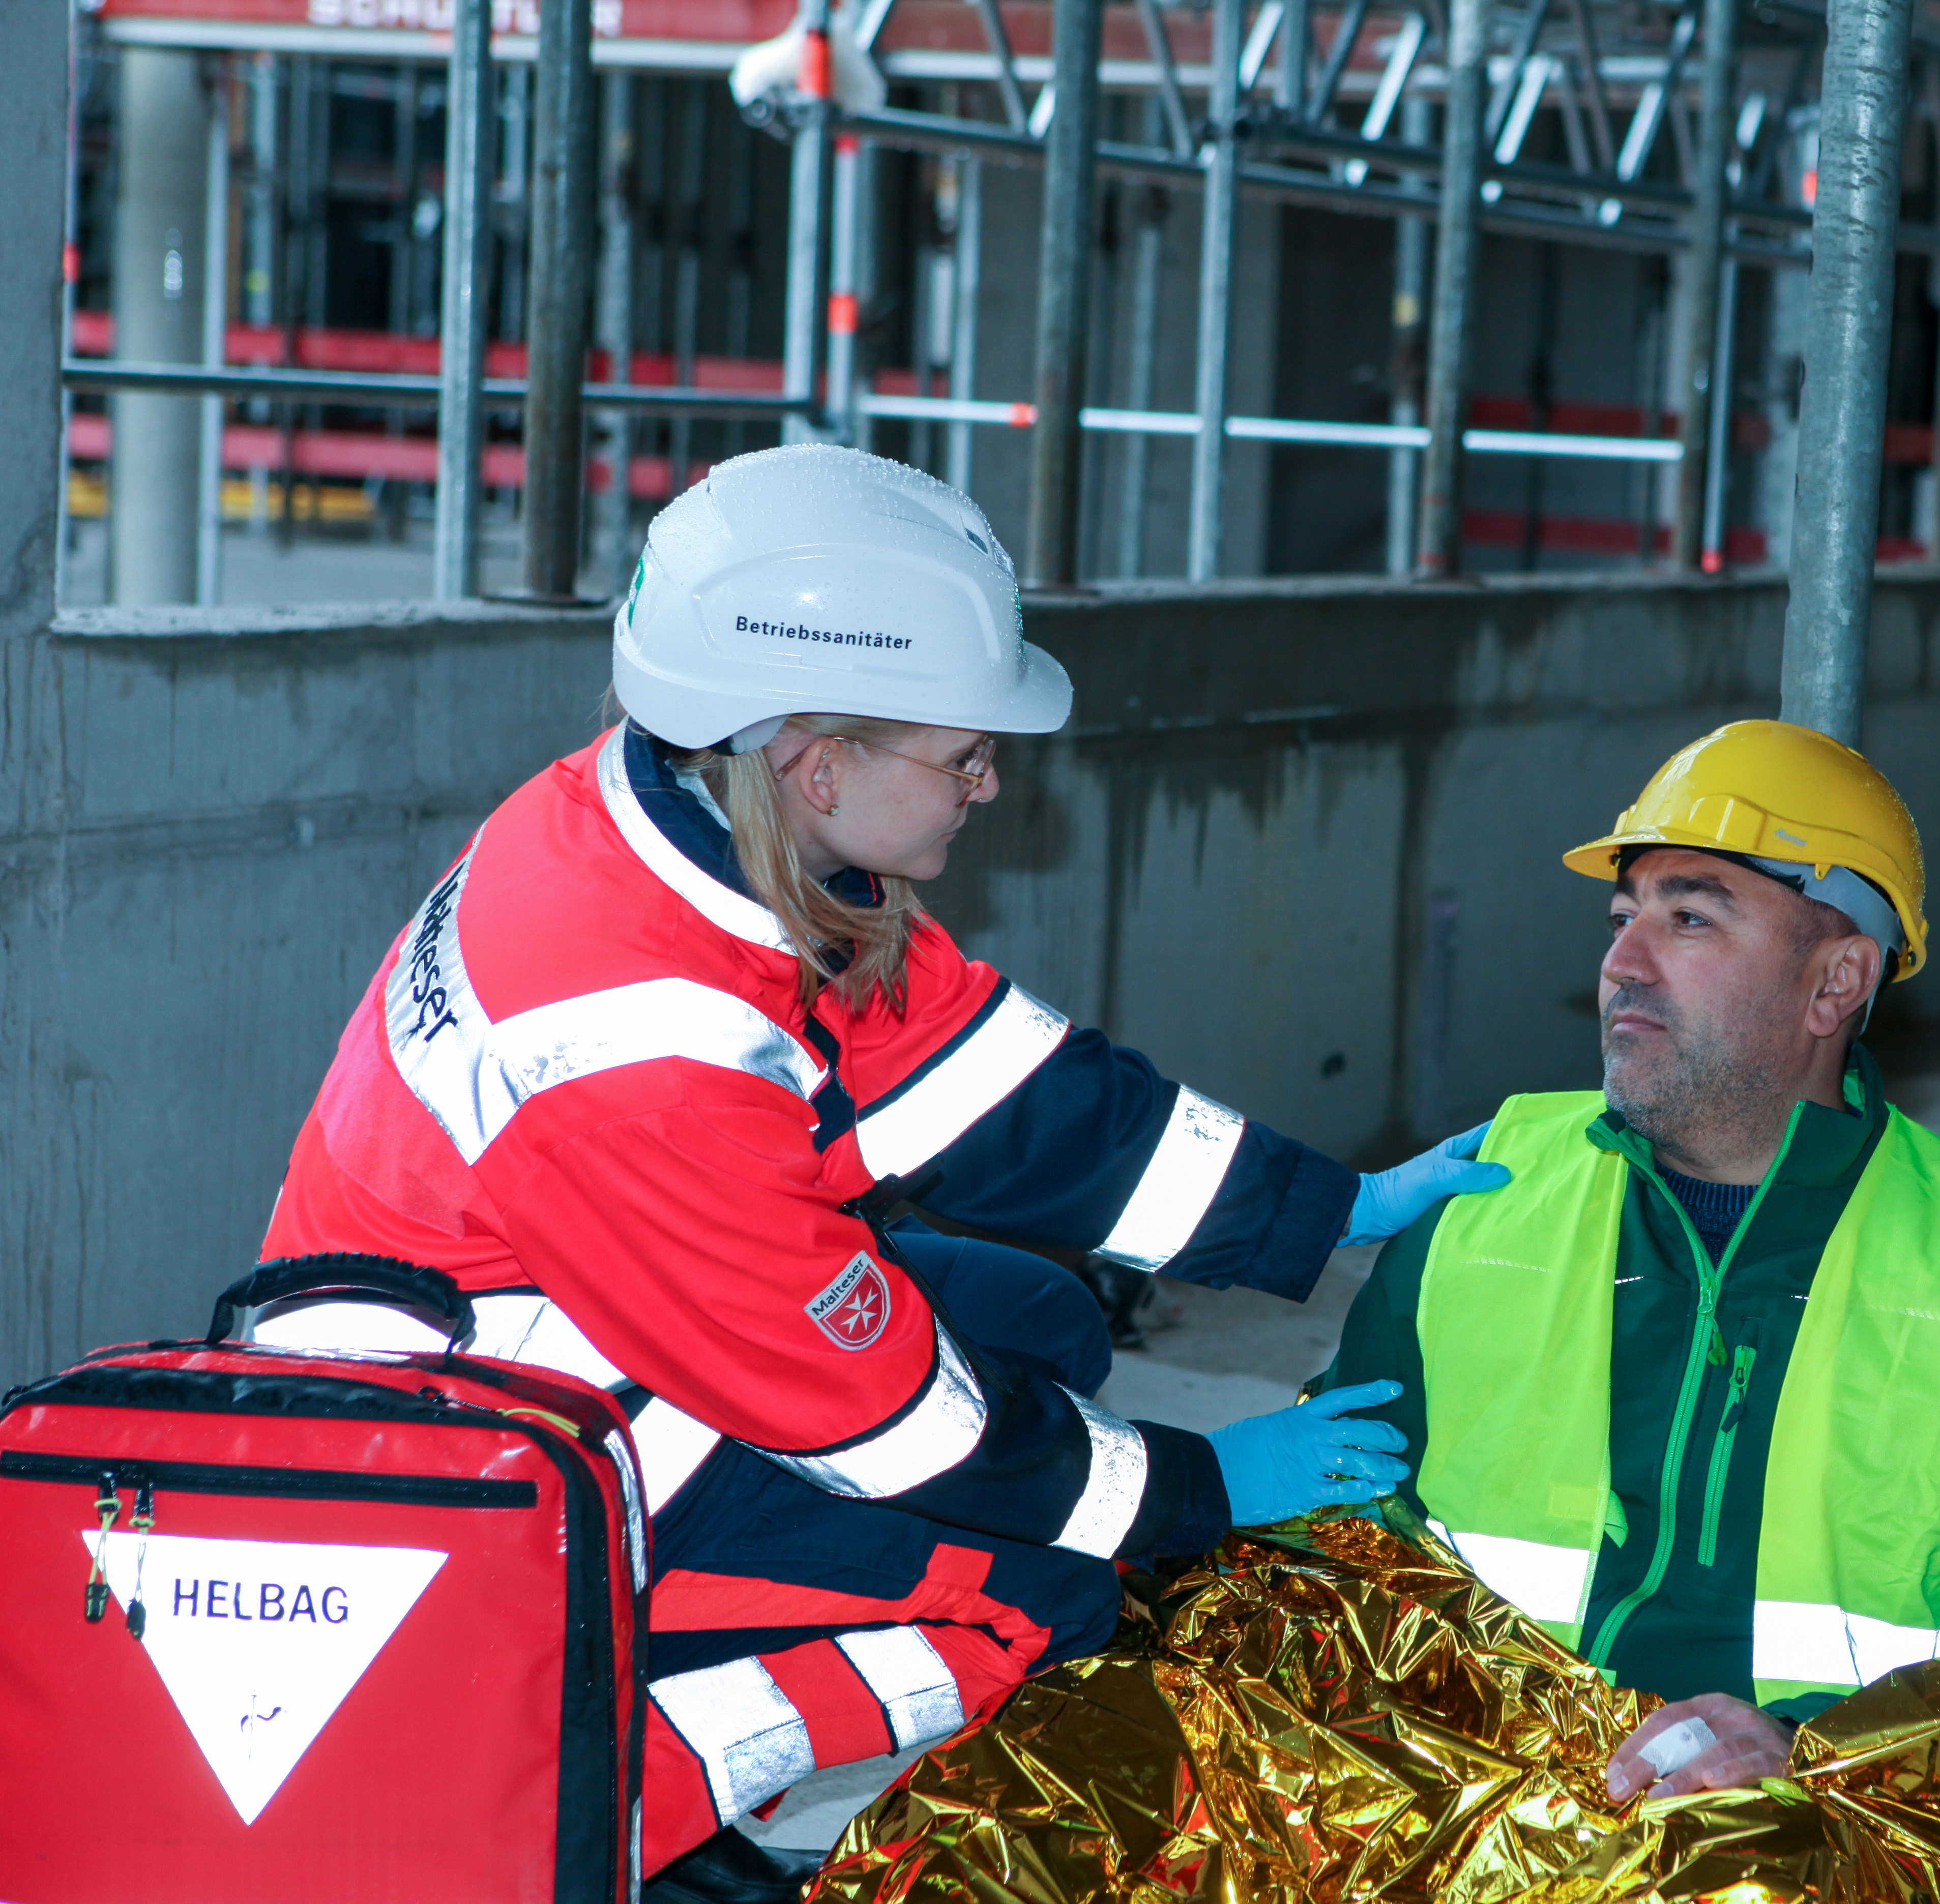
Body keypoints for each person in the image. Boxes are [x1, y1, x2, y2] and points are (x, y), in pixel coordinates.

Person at [246, 444, 1495, 1901]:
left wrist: (1320, 1207)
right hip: (482, 1483)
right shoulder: (638, 1055)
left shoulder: (678, 831)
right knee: (1043, 1594)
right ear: (820, 761)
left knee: (1043, 1326)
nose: (988, 779)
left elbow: (997, 1092)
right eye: (962, 748)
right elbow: (897, 1430)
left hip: (562, 1343)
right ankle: (586, 1819)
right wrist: (1201, 1484)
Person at [1310, 721, 1940, 1798]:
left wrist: (1805, 1752)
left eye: (1690, 918)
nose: (1622, 964)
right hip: (1478, 1818)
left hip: (1827, 1850)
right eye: (1624, 919)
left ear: (1835, 983)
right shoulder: (1482, 1206)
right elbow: (1330, 1539)